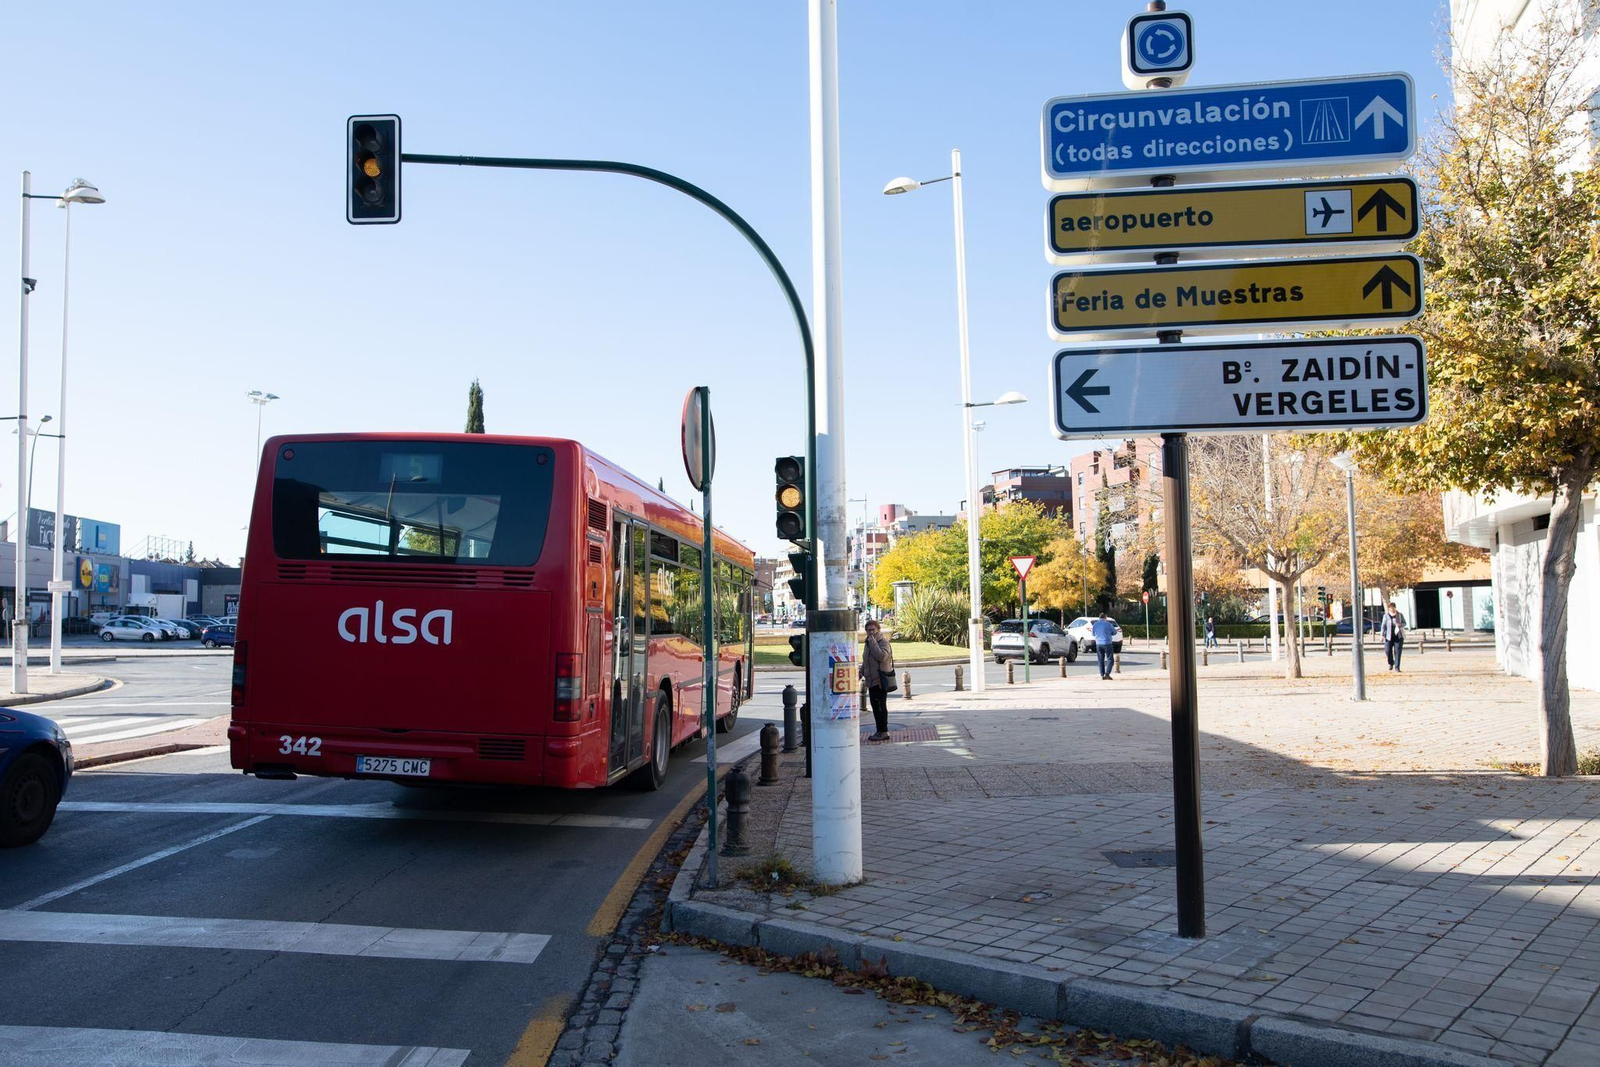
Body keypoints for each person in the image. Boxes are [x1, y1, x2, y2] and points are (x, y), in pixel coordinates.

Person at [861, 619, 895, 740]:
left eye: (873, 630)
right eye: (868, 630)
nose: (871, 632)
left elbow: (882, 656)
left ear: (878, 630)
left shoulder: (882, 642)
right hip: (871, 681)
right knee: (875, 707)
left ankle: (884, 731)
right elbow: (866, 661)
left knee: (880, 706)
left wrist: (873, 642)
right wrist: (860, 673)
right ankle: (879, 730)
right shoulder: (868, 643)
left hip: (880, 680)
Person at [1381, 601, 1407, 672]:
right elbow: (1383, 626)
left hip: (1398, 635)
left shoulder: (1400, 615)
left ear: (1395, 608)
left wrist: (1400, 625)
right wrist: (1382, 635)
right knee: (1387, 650)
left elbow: (1405, 623)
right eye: (1390, 608)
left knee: (1397, 652)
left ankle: (1397, 667)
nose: (1391, 609)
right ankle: (1391, 662)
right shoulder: (1386, 616)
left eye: (1393, 608)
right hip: (1388, 635)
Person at [1092, 611, 1118, 680]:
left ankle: (1102, 675)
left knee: (1100, 659)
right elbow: (1114, 632)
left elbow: (1093, 634)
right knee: (1110, 659)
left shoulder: (1095, 625)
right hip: (1107, 643)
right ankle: (1107, 673)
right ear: (1105, 617)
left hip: (1098, 643)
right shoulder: (1108, 624)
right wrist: (1109, 633)